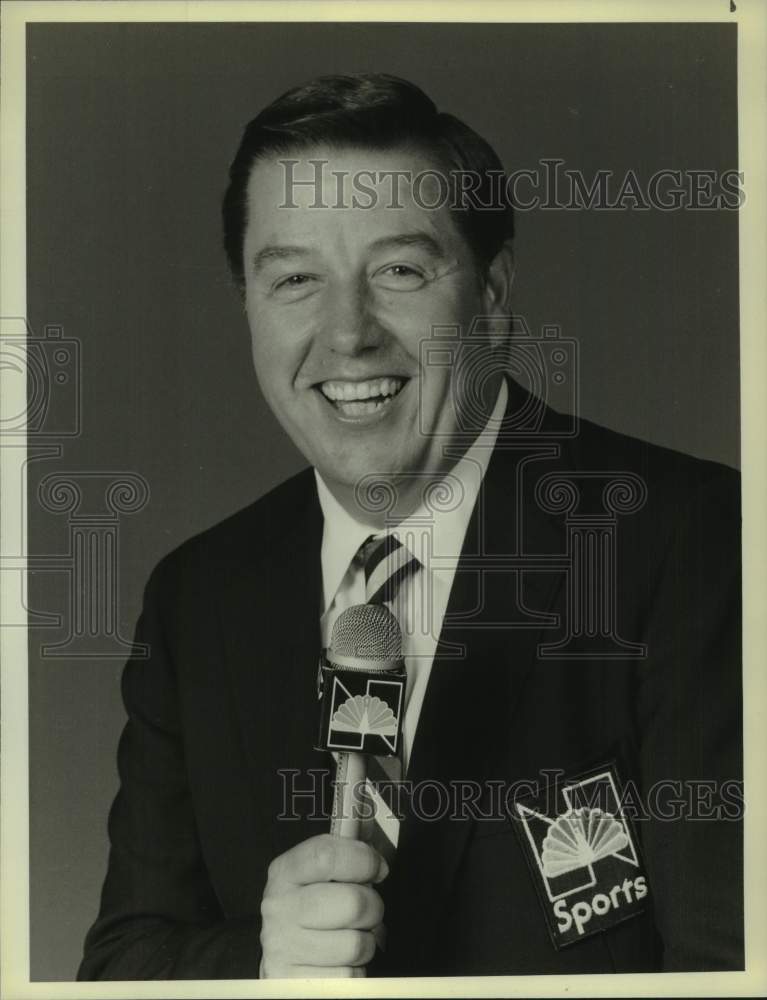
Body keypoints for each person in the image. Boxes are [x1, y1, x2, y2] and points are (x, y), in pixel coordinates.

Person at [78, 74, 743, 980]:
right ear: (247, 305)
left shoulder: (693, 538)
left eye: (397, 271)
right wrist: (263, 971)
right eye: (295, 279)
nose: (346, 334)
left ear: (493, 292)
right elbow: (124, 963)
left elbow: (731, 968)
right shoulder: (197, 596)